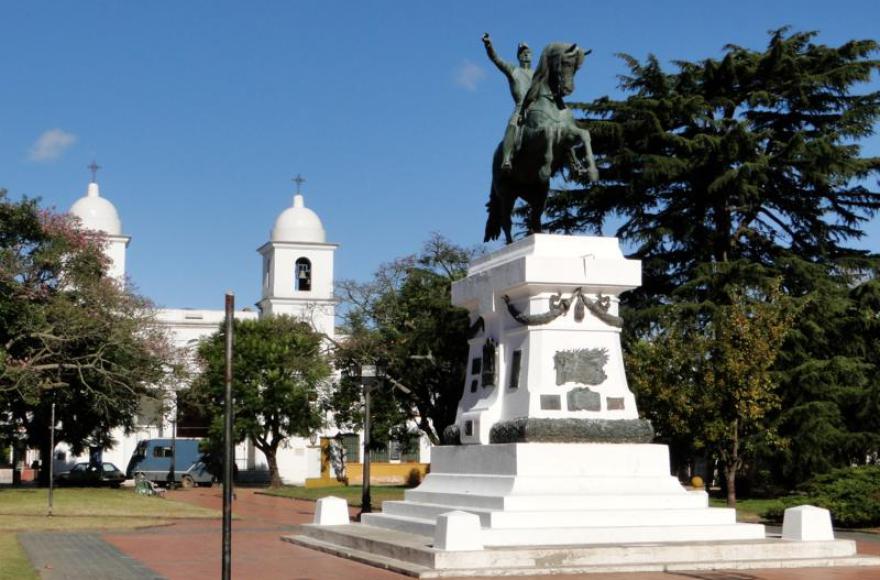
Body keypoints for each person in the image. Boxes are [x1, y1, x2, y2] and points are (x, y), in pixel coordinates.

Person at [483, 33, 533, 171]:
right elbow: (496, 59)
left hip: (537, 108)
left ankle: (573, 162)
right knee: (512, 124)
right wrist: (489, 45)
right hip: (520, 108)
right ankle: (506, 159)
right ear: (519, 56)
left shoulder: (538, 74)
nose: (526, 54)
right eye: (523, 52)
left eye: (528, 52)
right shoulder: (513, 70)